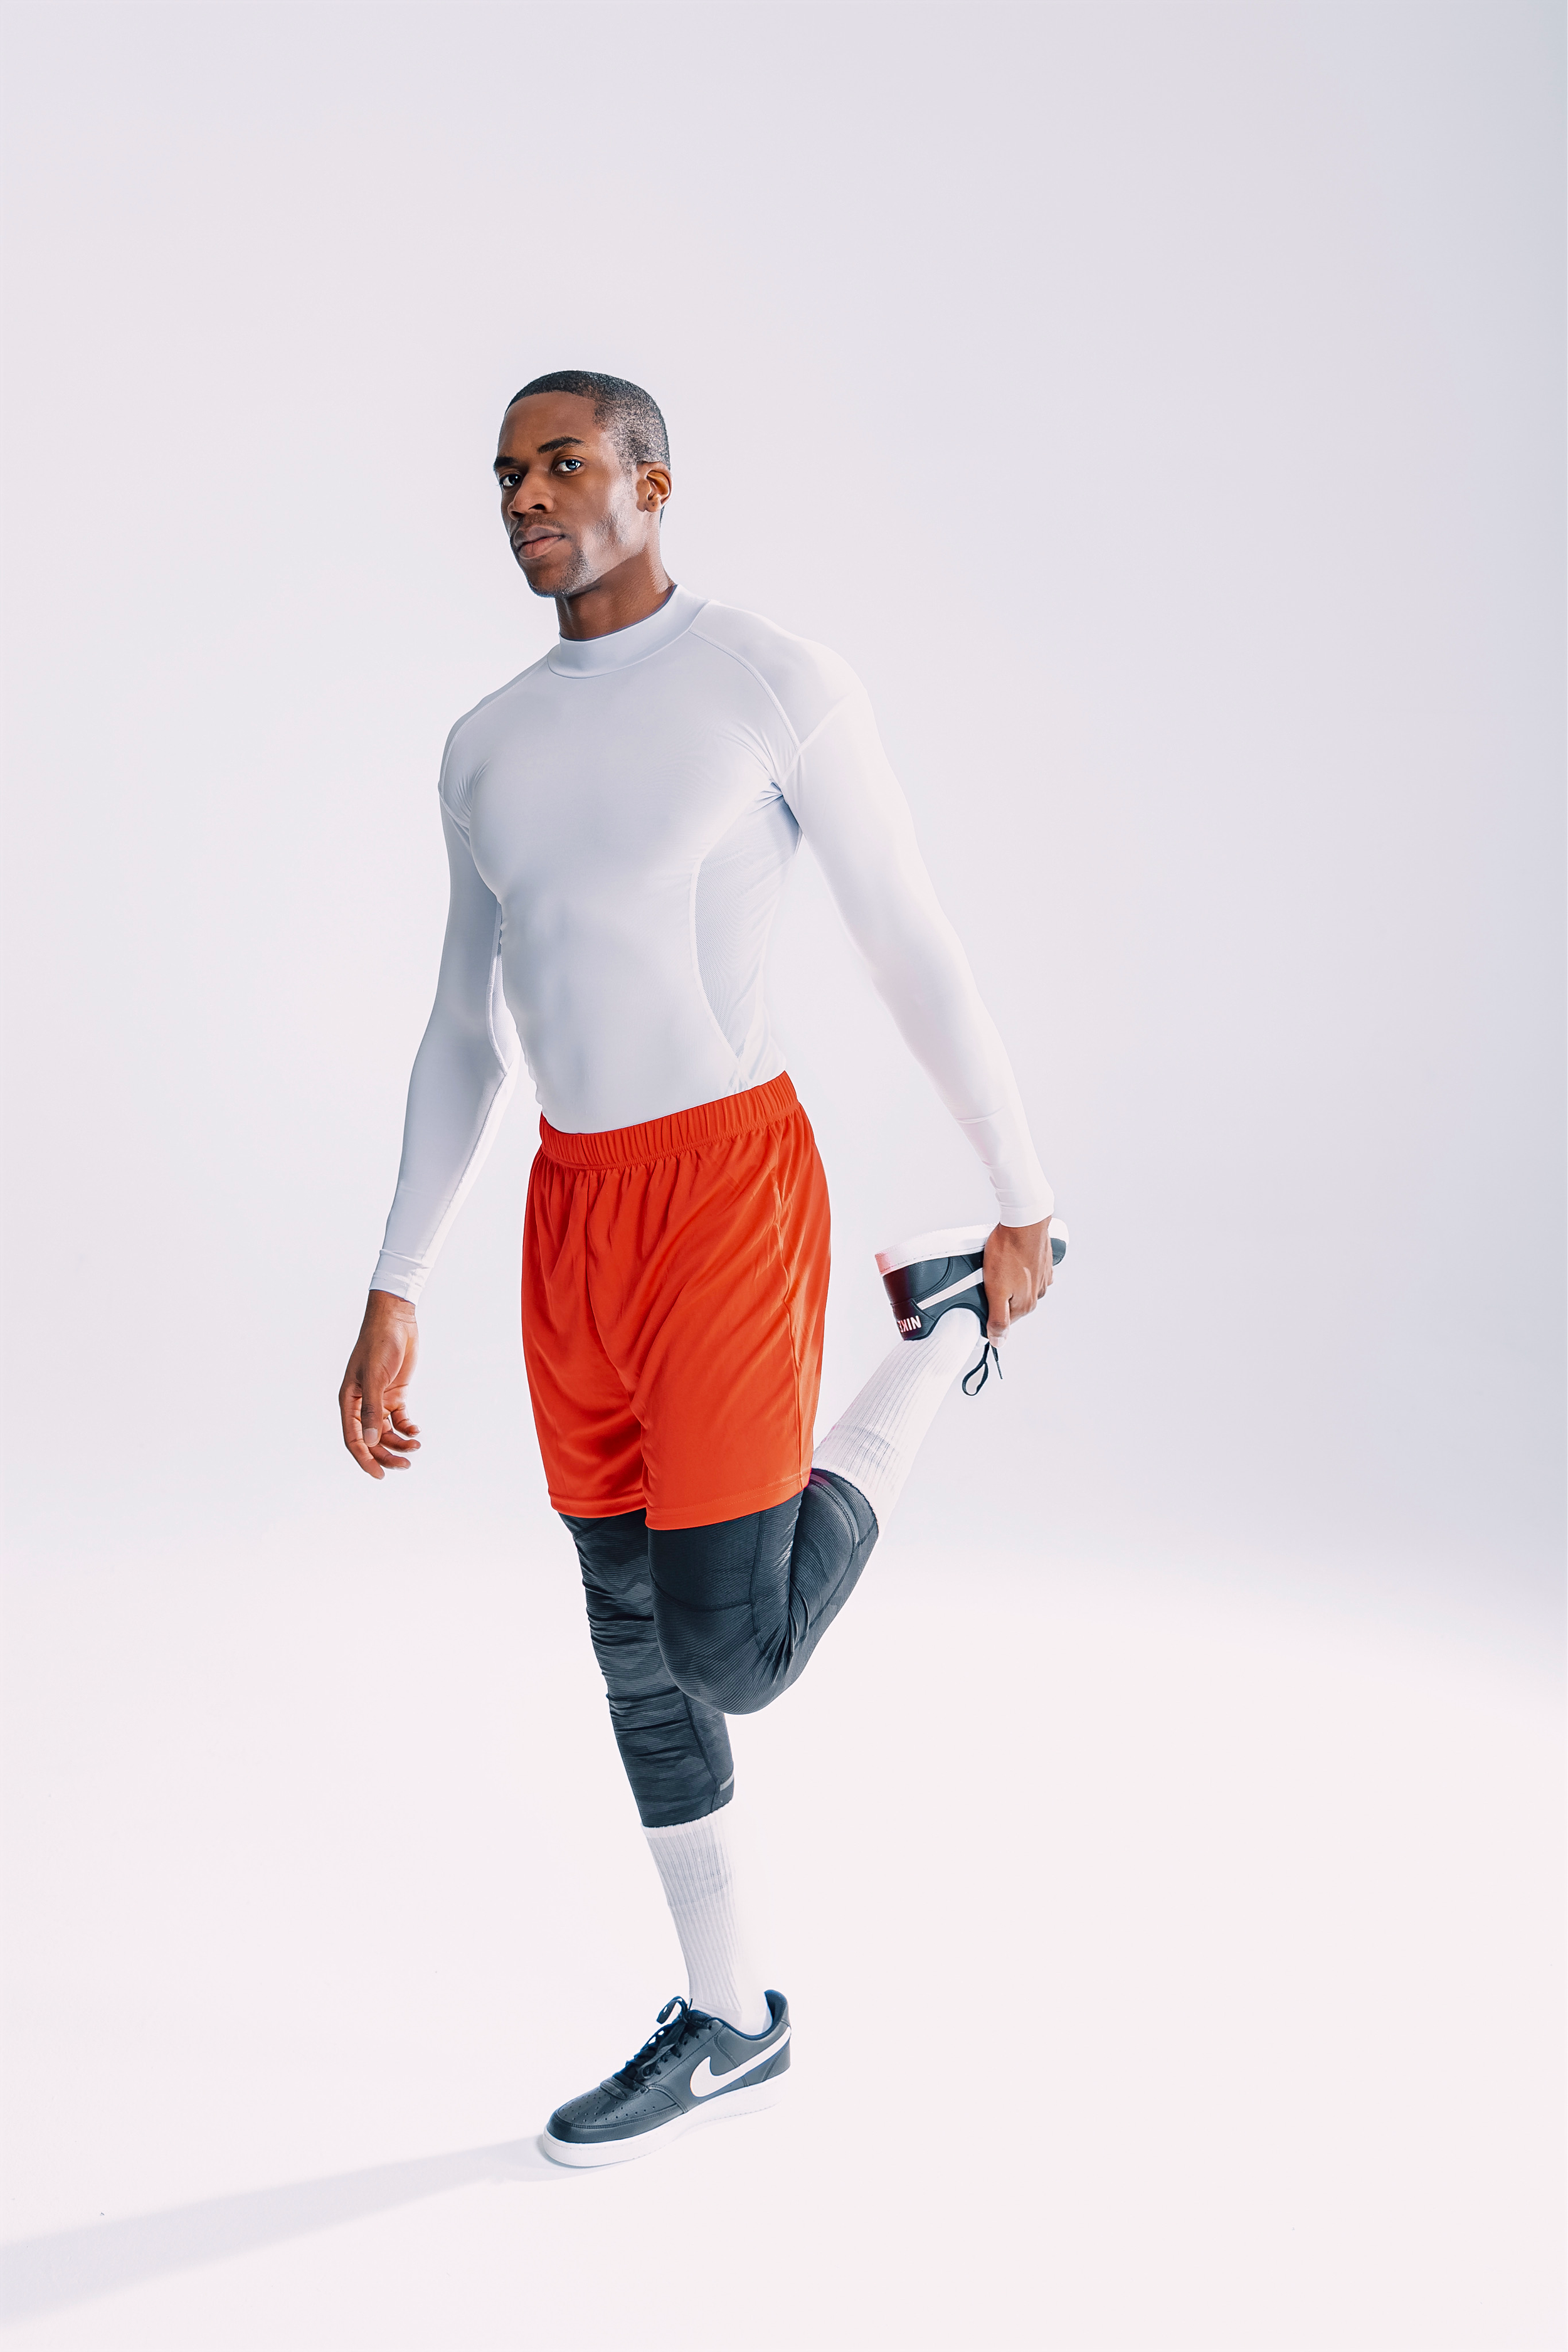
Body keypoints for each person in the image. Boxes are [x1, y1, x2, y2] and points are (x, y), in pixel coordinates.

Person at [337, 369, 1056, 2168]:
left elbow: (906, 936)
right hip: (572, 1212)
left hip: (728, 1188)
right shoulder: (483, 744)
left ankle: (939, 1335)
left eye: (563, 463)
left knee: (730, 1650)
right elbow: (463, 1028)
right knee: (631, 1646)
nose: (526, 497)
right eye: (507, 474)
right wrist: (396, 1276)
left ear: (654, 483)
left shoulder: (768, 680)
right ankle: (734, 2020)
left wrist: (1019, 1190)